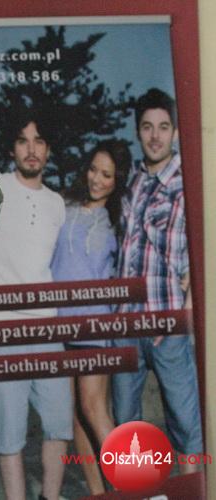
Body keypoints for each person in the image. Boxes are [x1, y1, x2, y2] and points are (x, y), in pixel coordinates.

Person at [113, 88, 202, 472]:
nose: (155, 136)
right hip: (126, 325)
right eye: (147, 127)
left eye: (164, 127)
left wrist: (187, 309)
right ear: (138, 131)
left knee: (186, 424)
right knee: (125, 423)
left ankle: (195, 491)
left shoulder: (189, 183)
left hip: (168, 323)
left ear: (175, 132)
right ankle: (137, 491)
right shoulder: (132, 179)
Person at [0, 111, 72, 500]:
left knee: (59, 424)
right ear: (12, 148)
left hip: (47, 328)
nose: (32, 149)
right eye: (23, 141)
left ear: (48, 149)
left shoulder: (57, 204)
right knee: (9, 433)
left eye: (39, 141)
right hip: (4, 328)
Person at [50, 140, 131, 494]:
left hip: (94, 324)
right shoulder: (64, 206)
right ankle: (99, 493)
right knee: (75, 415)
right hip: (58, 323)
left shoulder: (118, 219)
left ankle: (134, 487)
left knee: (94, 407)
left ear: (118, 180)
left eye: (107, 175)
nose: (97, 179)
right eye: (94, 170)